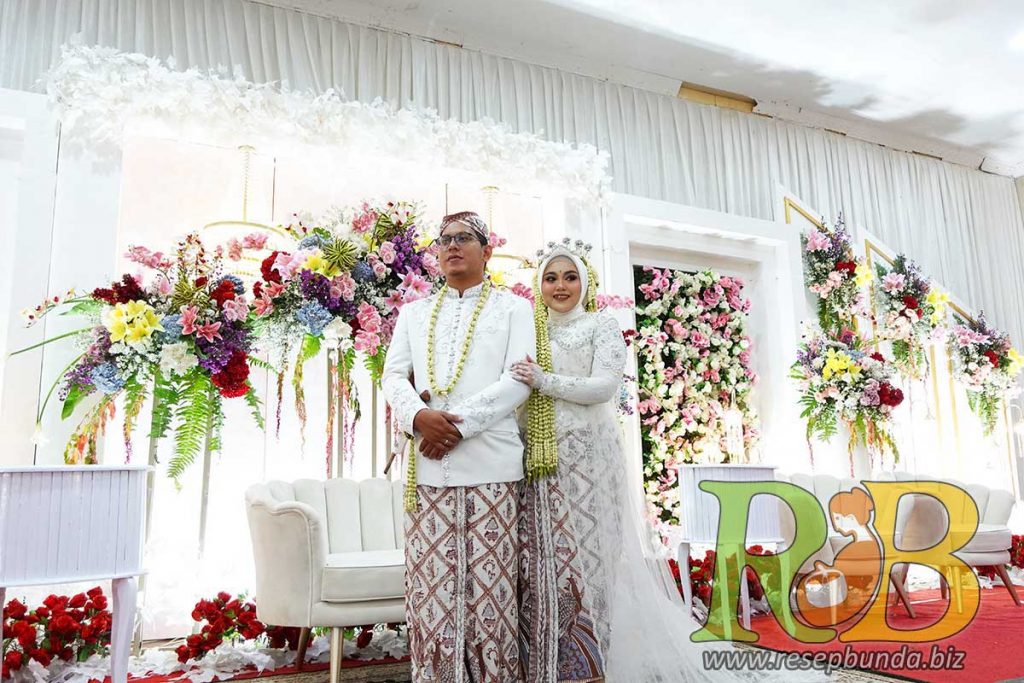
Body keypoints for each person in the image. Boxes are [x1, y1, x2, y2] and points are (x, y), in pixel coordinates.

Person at [511, 240, 825, 682]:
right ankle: (556, 657)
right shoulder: (529, 331)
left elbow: (603, 387)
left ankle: (598, 654)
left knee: (593, 556)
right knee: (547, 558)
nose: (560, 286)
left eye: (570, 277)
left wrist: (544, 380)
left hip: (590, 458)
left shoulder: (600, 324)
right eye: (550, 278)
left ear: (586, 283)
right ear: (538, 284)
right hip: (541, 459)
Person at [382, 211, 535, 683]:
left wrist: (451, 428)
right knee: (433, 590)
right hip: (429, 472)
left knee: (491, 588)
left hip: (492, 466)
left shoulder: (514, 309)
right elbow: (393, 376)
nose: (452, 246)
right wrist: (417, 418)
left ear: (487, 251)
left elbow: (519, 379)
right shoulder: (414, 313)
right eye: (444, 239)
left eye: (464, 238)